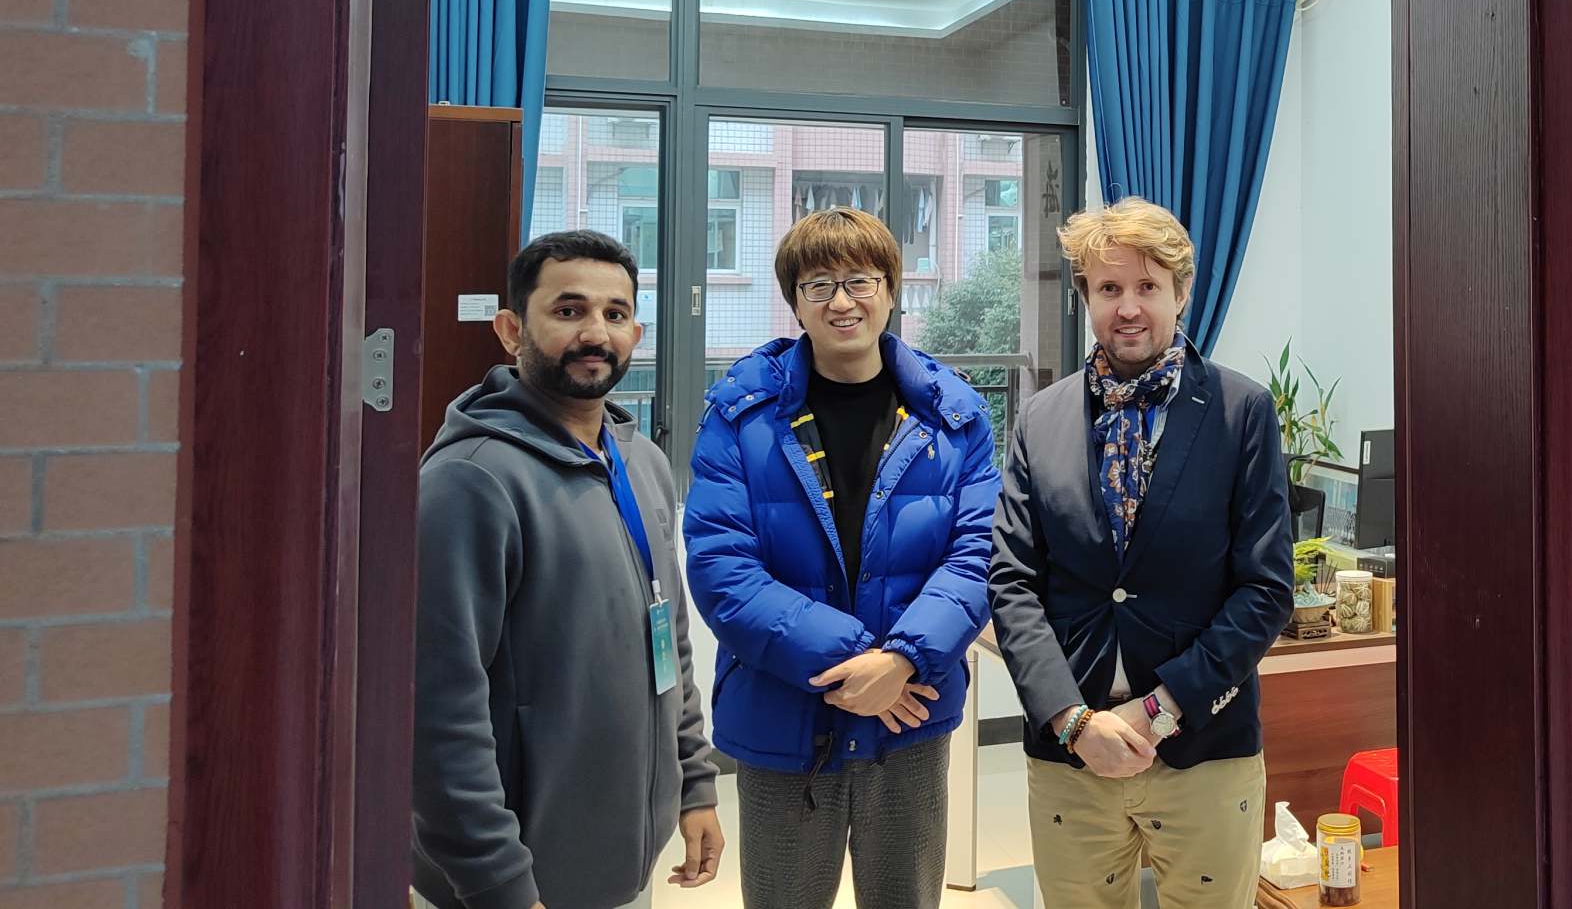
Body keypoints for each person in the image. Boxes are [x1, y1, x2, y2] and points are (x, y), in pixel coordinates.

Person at [686, 207, 1001, 909]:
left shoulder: (955, 416)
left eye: (860, 280)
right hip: (784, 713)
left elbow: (978, 556)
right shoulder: (739, 415)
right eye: (818, 284)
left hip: (908, 723)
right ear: (795, 302)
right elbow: (722, 570)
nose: (841, 301)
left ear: (890, 289)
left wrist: (904, 661)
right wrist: (867, 662)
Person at [988, 197, 1294, 908]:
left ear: (1181, 293)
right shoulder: (1041, 418)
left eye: (1147, 286)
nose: (1127, 307)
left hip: (1205, 746)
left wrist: (1159, 709)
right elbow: (1012, 582)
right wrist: (1071, 720)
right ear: (1085, 297)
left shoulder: (1241, 412)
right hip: (1072, 754)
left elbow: (1265, 589)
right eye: (1109, 287)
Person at [412, 230, 723, 909]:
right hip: (507, 882)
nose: (595, 333)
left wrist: (694, 783)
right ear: (511, 330)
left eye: (615, 314)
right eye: (568, 310)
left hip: (621, 863)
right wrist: (498, 881)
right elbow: (437, 707)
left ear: (636, 334)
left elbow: (667, 637)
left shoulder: (640, 463)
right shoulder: (470, 481)